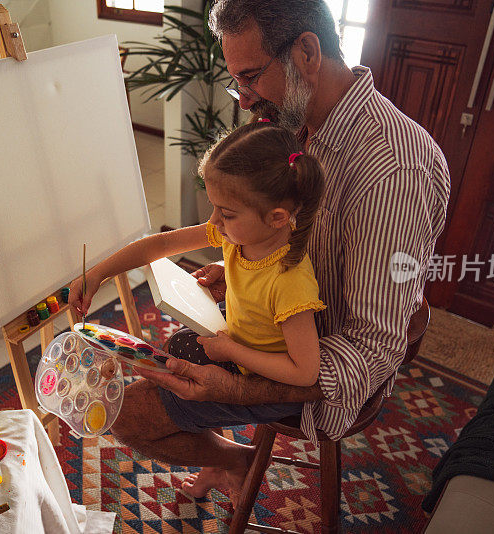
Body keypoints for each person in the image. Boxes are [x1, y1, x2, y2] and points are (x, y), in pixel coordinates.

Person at [74, 0, 451, 504]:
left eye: (251, 77)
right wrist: (245, 266)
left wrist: (235, 388)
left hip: (311, 367)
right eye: (238, 82)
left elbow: (369, 354)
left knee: (122, 413)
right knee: (176, 354)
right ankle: (229, 459)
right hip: (272, 326)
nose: (245, 100)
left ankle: (237, 462)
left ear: (308, 52)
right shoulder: (295, 125)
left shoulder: (393, 172)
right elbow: (296, 245)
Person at [72, 123, 327, 389]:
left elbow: (304, 373)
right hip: (237, 344)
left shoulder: (290, 282)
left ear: (276, 218)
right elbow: (157, 246)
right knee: (173, 351)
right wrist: (99, 273)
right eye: (214, 207)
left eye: (227, 213)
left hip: (266, 379)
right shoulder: (239, 237)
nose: (214, 220)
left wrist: (231, 351)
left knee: (165, 377)